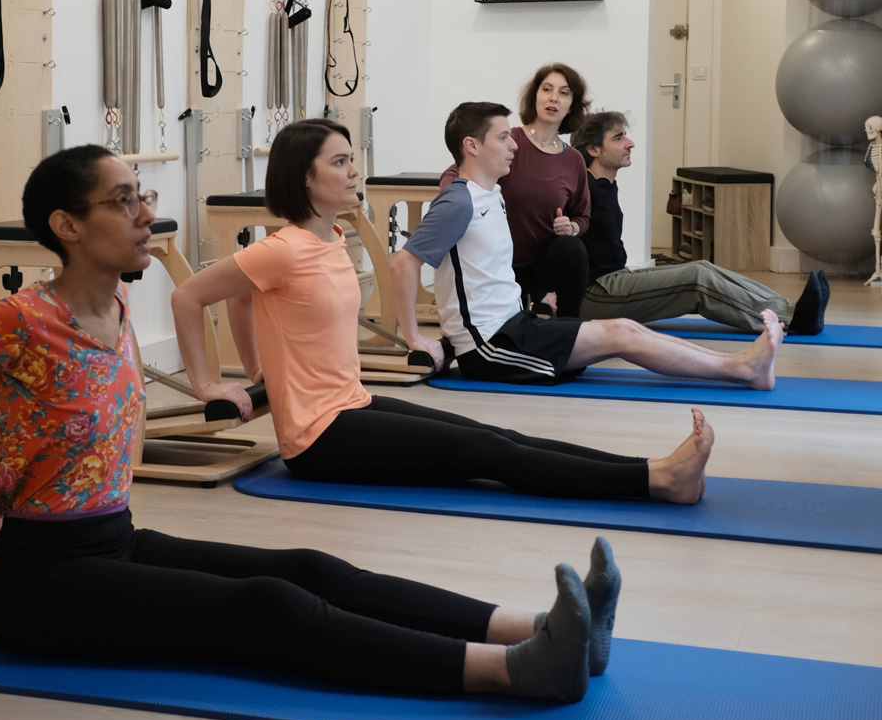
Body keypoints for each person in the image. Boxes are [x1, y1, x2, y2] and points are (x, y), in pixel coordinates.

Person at [0, 145, 622, 706]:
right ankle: (509, 672)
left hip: (112, 539)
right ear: (68, 225)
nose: (146, 212)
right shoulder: (20, 317)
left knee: (309, 569)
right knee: (268, 607)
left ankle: (538, 625)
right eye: (124, 200)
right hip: (42, 589)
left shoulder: (114, 306)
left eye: (141, 194)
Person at [173, 118, 717, 535]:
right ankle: (659, 481)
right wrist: (209, 384)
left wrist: (257, 368)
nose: (354, 170)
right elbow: (189, 295)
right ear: (304, 178)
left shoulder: (332, 238)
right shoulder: (283, 249)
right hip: (319, 439)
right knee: (491, 457)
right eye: (339, 163)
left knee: (495, 435)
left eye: (352, 159)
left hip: (351, 404)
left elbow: (243, 299)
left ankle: (653, 468)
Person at [394, 102, 783, 393]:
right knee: (621, 335)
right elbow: (403, 265)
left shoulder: (490, 193)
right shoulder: (459, 201)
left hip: (516, 326)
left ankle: (743, 363)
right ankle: (744, 369)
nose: (513, 145)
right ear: (471, 146)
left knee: (625, 329)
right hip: (492, 347)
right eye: (502, 138)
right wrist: (416, 338)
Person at [574, 110, 829, 336]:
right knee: (697, 280)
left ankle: (789, 307)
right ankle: (791, 320)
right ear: (594, 150)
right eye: (618, 138)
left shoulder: (604, 186)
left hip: (615, 279)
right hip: (596, 294)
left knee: (703, 266)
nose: (630, 143)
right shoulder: (584, 190)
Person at [499, 63, 593, 317]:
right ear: (535, 97)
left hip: (540, 264)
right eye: (547, 89)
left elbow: (582, 217)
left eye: (564, 93)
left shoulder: (574, 159)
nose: (554, 97)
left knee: (572, 249)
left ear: (572, 105)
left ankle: (568, 330)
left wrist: (571, 227)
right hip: (497, 261)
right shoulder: (510, 141)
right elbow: (458, 172)